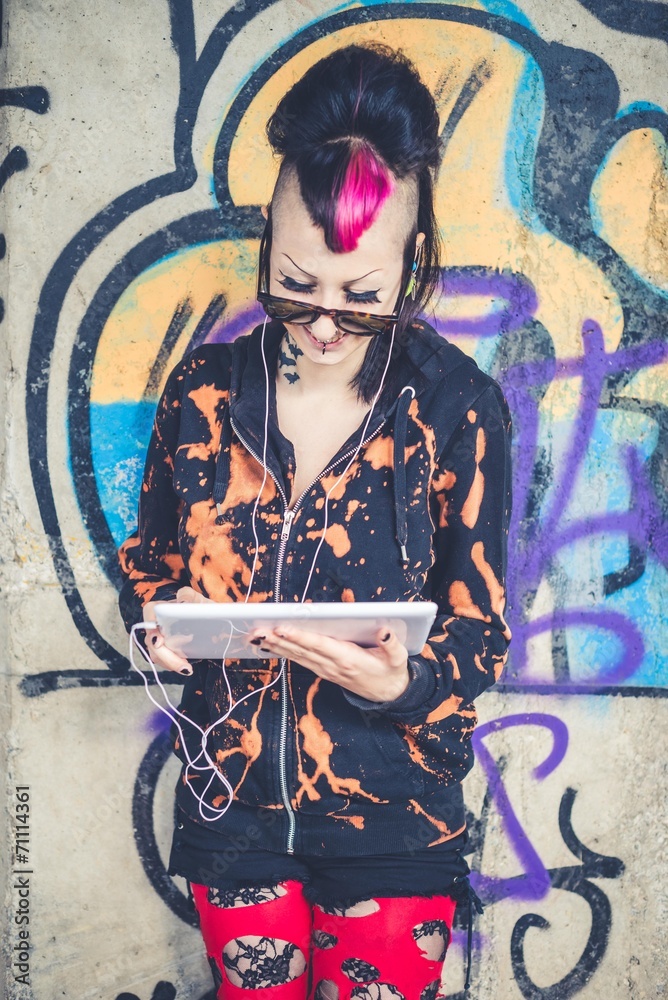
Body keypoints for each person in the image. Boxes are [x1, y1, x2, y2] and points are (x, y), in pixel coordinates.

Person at [118, 44, 512, 1000]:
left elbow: (480, 631)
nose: (325, 325)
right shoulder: (204, 391)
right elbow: (149, 557)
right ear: (267, 240)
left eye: (362, 298)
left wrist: (405, 686)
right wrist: (160, 626)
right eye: (297, 285)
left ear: (413, 265)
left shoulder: (457, 409)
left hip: (398, 823)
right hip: (233, 812)